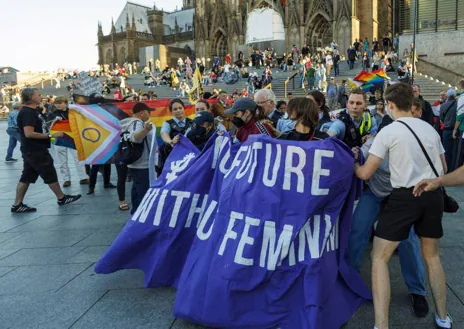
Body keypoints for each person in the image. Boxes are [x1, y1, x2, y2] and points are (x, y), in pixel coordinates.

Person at [353, 82, 452, 329]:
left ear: (390, 105)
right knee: (433, 257)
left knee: (379, 257)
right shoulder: (430, 129)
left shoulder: (388, 131)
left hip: (404, 196)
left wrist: (355, 164)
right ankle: (443, 317)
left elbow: (366, 174)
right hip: (432, 195)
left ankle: (381, 325)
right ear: (413, 103)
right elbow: (444, 169)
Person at [348, 116, 430, 320]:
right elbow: (361, 157)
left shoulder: (408, 144)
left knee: (408, 241)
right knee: (357, 230)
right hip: (375, 193)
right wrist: (355, 155)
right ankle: (349, 282)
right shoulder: (373, 142)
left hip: (399, 198)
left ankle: (417, 291)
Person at [12, 88, 81, 213]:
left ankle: (17, 205)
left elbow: (40, 126)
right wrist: (51, 136)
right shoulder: (28, 112)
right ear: (31, 97)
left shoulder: (34, 111)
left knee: (26, 177)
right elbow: (29, 133)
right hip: (35, 150)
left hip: (32, 149)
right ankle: (61, 198)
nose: (41, 96)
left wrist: (52, 122)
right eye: (38, 95)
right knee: (49, 173)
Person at [120, 102, 155, 214]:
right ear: (141, 112)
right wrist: (146, 130)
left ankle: (135, 214)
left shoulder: (132, 123)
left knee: (136, 189)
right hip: (141, 163)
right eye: (148, 112)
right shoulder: (137, 123)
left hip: (136, 163)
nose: (149, 114)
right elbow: (135, 138)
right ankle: (142, 217)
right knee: (143, 192)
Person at [47, 97, 89, 187]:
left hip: (72, 138)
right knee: (62, 161)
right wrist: (54, 121)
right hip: (59, 140)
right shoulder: (52, 114)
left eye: (60, 103)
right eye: (56, 103)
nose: (58, 105)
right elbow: (48, 127)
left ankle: (83, 177)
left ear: (65, 103)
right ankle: (66, 179)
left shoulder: (72, 113)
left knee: (78, 158)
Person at [158, 99, 193, 173]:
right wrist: (170, 141)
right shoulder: (167, 123)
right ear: (171, 112)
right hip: (173, 158)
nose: (178, 111)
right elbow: (164, 133)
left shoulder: (192, 122)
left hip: (189, 158)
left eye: (180, 108)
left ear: (184, 109)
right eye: (175, 109)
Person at [440, 89, 457, 171]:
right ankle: (455, 168)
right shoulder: (458, 104)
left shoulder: (443, 105)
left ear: (447, 96)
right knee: (456, 150)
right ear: (454, 96)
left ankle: (447, 169)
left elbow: (441, 118)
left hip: (446, 130)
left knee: (446, 150)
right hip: (456, 130)